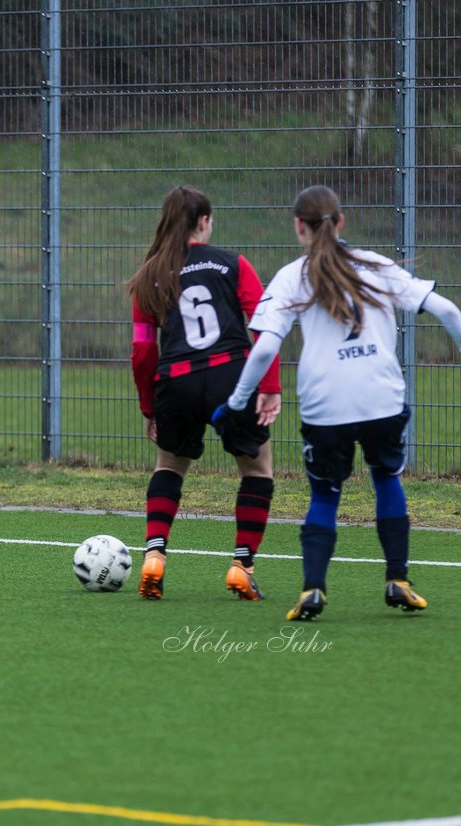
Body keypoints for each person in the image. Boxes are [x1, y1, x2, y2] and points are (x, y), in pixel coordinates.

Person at [214, 184, 461, 620]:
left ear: (298, 227)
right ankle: (398, 580)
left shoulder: (292, 276)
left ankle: (313, 590)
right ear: (341, 222)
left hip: (326, 404)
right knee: (386, 478)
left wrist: (236, 404)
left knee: (325, 494)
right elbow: (445, 308)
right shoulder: (377, 266)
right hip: (381, 398)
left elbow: (267, 348)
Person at [126, 185, 284, 601]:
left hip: (175, 380)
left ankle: (155, 555)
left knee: (169, 467)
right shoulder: (233, 265)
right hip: (232, 377)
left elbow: (143, 351)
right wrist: (269, 387)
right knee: (256, 470)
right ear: (203, 222)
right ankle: (241, 565)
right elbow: (266, 325)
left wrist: (149, 408)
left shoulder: (149, 275)